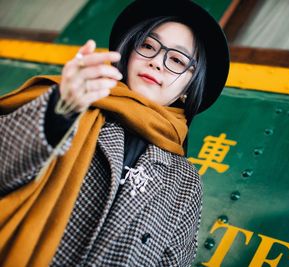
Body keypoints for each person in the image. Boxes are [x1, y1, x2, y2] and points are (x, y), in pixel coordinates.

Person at [0, 0, 229, 266]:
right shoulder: (67, 103)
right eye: (147, 46)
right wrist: (59, 110)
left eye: (177, 60)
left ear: (190, 85)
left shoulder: (185, 183)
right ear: (128, 52)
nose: (156, 62)